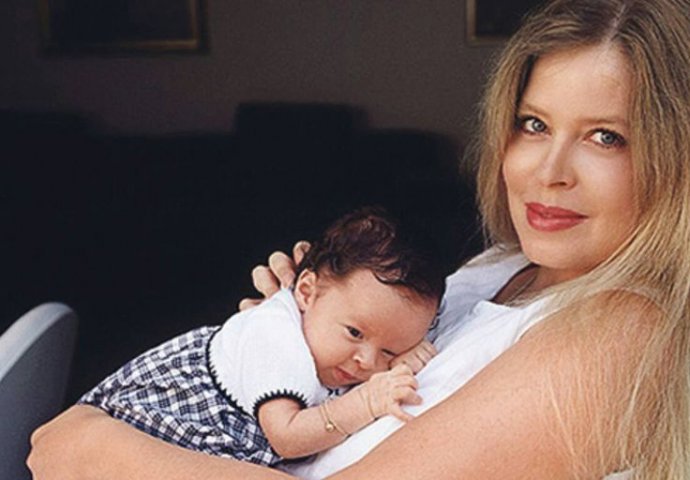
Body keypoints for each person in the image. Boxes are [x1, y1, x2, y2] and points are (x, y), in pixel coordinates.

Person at [27, 0, 690, 478]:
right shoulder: (502, 267)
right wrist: (296, 347)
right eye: (534, 125)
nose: (549, 172)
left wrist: (90, 447)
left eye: (607, 137)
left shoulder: (626, 330)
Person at [73, 207, 443, 466]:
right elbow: (287, 437)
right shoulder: (275, 336)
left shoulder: (337, 339)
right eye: (355, 332)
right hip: (153, 423)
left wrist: (401, 362)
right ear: (307, 291)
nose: (367, 361)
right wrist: (367, 401)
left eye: (389, 350)